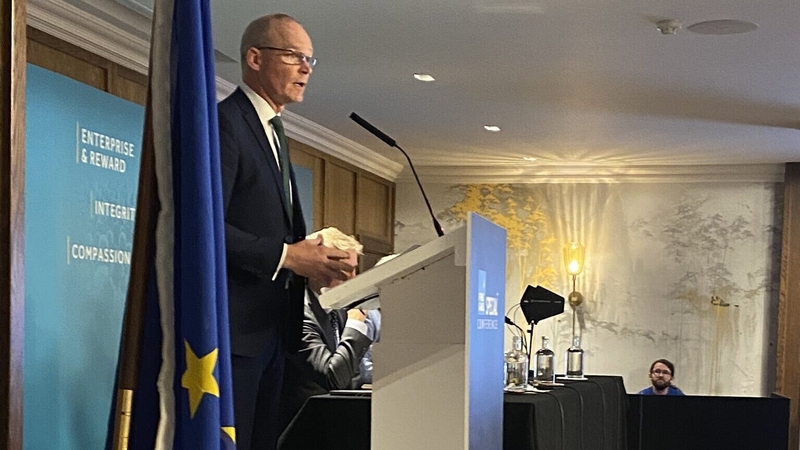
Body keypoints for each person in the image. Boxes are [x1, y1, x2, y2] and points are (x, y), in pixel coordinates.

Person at [218, 14, 354, 450]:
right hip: (234, 334)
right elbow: (204, 229)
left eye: (309, 59)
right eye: (294, 56)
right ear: (255, 58)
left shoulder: (276, 131)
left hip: (277, 329)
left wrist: (314, 265)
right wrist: (289, 256)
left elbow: (271, 228)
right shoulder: (226, 123)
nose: (306, 68)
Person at [278, 228, 376, 436]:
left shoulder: (337, 306)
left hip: (337, 424)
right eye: (342, 270)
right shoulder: (298, 312)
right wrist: (356, 325)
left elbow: (352, 375)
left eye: (354, 270)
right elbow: (333, 378)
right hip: (301, 431)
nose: (352, 279)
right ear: (317, 267)